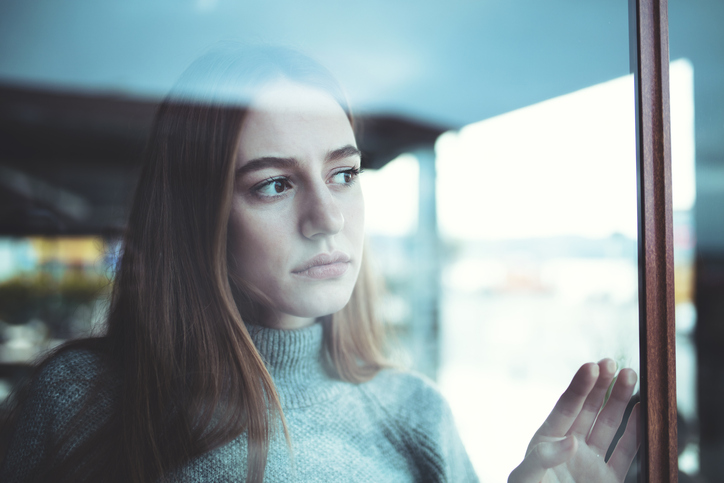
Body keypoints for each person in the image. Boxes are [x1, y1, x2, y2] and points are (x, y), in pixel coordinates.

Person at [0, 44, 639, 483]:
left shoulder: (415, 413)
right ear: (197, 218)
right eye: (274, 184)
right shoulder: (78, 399)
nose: (328, 218)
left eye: (343, 173)